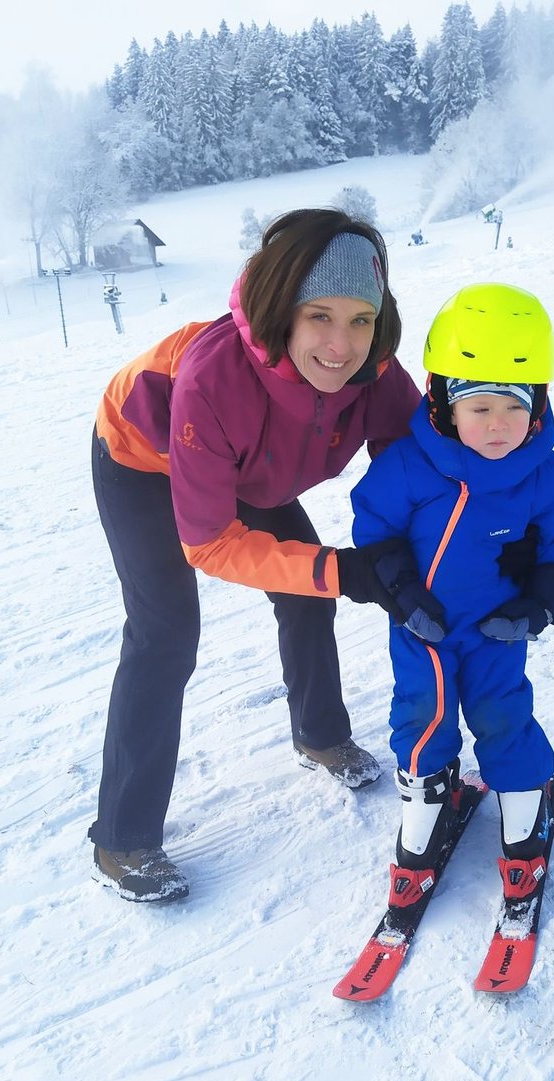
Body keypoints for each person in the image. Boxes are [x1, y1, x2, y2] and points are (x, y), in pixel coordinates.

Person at [90, 208, 440, 904]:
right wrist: (344, 569)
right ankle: (122, 840)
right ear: (282, 307)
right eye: (319, 316)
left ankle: (319, 735)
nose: (341, 345)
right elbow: (210, 540)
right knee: (165, 636)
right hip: (146, 457)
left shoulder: (372, 369)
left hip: (253, 469)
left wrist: (455, 539)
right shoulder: (212, 381)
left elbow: (413, 460)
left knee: (306, 586)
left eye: (360, 319)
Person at [350, 282, 554, 899]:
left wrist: (537, 605)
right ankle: (425, 808)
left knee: (502, 713)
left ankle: (522, 811)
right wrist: (401, 592)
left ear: (536, 406)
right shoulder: (408, 466)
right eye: (479, 407)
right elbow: (375, 532)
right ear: (443, 404)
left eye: (514, 407)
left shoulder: (541, 473)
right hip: (423, 631)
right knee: (422, 716)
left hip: (495, 633)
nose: (498, 425)